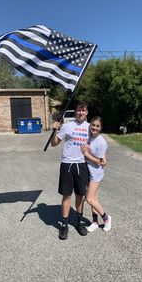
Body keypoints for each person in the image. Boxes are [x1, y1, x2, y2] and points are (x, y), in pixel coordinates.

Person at [51, 101, 91, 240]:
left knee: (80, 195)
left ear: (87, 112)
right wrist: (55, 129)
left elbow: (96, 144)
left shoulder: (90, 127)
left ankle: (79, 222)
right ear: (75, 111)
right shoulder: (67, 126)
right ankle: (64, 225)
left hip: (82, 164)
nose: (81, 113)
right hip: (67, 164)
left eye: (83, 110)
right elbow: (54, 144)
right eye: (78, 110)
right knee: (67, 195)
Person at [80, 116, 112, 232]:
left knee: (89, 199)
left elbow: (100, 162)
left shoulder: (101, 142)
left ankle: (106, 218)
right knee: (95, 198)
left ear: (101, 128)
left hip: (96, 173)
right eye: (93, 125)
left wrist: (85, 154)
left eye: (97, 126)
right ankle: (94, 222)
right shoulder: (89, 137)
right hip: (89, 171)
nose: (94, 127)